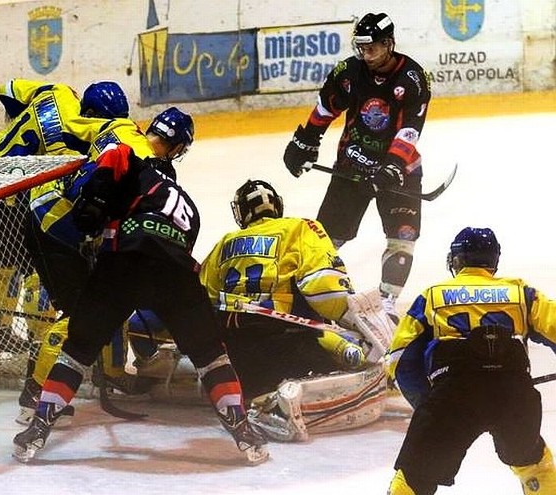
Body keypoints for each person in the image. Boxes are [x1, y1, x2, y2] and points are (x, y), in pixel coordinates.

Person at [13, 138, 269, 465]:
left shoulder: (143, 171)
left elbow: (116, 152)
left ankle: (37, 427)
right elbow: (175, 252)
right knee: (210, 356)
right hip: (174, 274)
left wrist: (95, 198)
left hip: (124, 263)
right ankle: (242, 429)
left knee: (77, 350)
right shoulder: (190, 206)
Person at [17, 107, 194, 425]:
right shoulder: (151, 167)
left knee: (111, 291)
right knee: (83, 309)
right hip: (64, 224)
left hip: (46, 207)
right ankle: (35, 393)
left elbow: (67, 131)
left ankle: (109, 373)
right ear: (178, 146)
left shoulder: (120, 126)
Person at [0, 78, 133, 421]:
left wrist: (17, 121)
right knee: (38, 269)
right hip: (15, 192)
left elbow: (8, 88)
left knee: (12, 260)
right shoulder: (77, 136)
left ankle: (1, 328)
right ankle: (37, 358)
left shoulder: (57, 90)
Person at [197, 179, 391, 441]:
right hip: (289, 350)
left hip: (236, 360)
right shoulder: (300, 227)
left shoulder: (225, 243)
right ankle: (288, 398)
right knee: (360, 362)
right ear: (277, 206)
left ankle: (252, 395)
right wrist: (353, 322)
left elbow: (199, 301)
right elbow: (323, 286)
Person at [282, 12, 431, 324]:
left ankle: (387, 302)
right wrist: (306, 140)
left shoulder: (412, 79)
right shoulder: (350, 71)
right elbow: (327, 106)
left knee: (402, 237)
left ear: (389, 44)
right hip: (351, 167)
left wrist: (391, 167)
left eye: (372, 48)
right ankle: (309, 297)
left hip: (399, 172)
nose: (365, 54)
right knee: (325, 240)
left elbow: (409, 131)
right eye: (361, 48)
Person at [385, 227, 556, 494]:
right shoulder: (521, 292)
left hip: (453, 398)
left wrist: (427, 403)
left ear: (456, 259)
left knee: (415, 477)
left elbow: (400, 359)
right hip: (514, 397)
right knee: (533, 462)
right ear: (494, 260)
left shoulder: (433, 295)